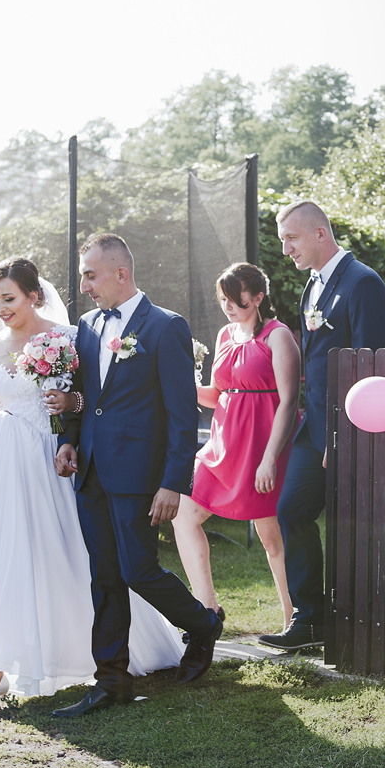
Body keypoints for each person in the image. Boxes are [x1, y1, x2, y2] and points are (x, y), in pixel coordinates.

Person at [0, 257, 184, 714]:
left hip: (57, 459)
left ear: (34, 295)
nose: (0, 308)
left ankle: (99, 654)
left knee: (72, 555)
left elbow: (94, 400)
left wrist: (66, 405)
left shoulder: (71, 337)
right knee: (0, 555)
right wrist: (3, 423)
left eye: (8, 298)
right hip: (6, 460)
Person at [52, 233, 225, 717]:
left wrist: (173, 482)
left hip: (138, 474)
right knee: (104, 577)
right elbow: (84, 395)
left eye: (90, 275)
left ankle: (204, 624)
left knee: (137, 571)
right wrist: (68, 439)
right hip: (90, 472)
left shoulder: (166, 326)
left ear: (121, 273)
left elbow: (181, 413)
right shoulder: (87, 326)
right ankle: (111, 680)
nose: (83, 286)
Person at [257, 201, 385, 653]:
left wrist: (343, 435)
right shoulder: (312, 285)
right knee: (291, 510)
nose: (286, 249)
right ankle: (310, 619)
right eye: (282, 240)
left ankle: (363, 622)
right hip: (312, 427)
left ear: (320, 233)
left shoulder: (363, 283)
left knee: (352, 525)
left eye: (291, 238)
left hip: (346, 428)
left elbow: (370, 366)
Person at [171, 262, 299, 626]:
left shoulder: (278, 336)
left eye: (234, 297)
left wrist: (269, 458)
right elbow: (217, 395)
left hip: (263, 447)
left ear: (258, 297)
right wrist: (181, 382)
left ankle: (294, 619)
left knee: (271, 538)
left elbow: (289, 401)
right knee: (183, 513)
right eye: (223, 298)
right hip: (222, 445)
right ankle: (207, 612)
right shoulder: (225, 335)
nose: (227, 305)